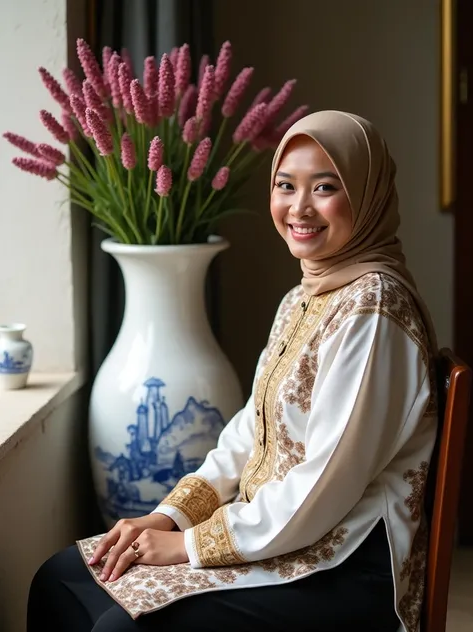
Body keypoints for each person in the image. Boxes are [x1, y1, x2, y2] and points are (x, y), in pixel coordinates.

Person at [27, 110, 438, 632]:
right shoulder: (303, 299)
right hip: (279, 534)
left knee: (121, 626)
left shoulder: (373, 309)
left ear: (367, 194)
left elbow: (325, 484)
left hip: (346, 564)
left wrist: (190, 545)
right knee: (59, 579)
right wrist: (172, 515)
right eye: (285, 185)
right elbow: (250, 431)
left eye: (326, 187)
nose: (299, 207)